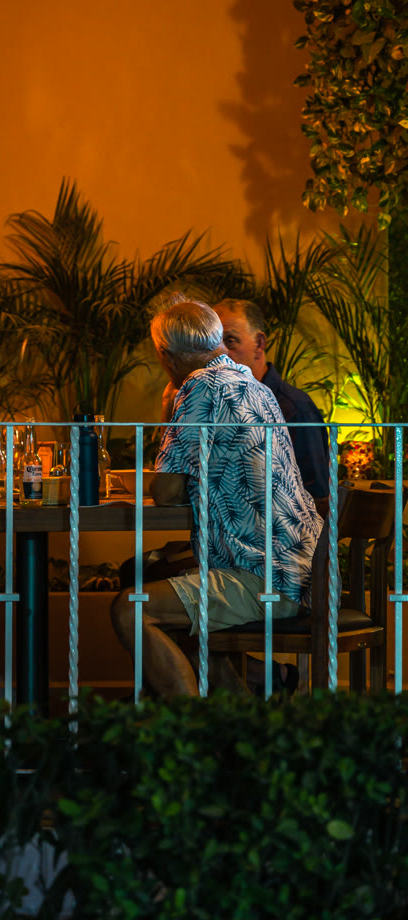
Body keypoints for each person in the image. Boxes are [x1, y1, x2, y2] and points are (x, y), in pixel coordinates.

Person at [111, 298, 322, 698]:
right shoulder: (254, 385)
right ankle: (237, 728)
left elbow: (168, 492)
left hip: (264, 578)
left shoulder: (198, 387)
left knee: (131, 608)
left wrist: (167, 412)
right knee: (169, 598)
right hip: (304, 572)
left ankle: (196, 744)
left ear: (165, 355)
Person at [214, 299, 329, 506]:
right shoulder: (218, 404)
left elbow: (316, 498)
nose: (220, 353)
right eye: (213, 344)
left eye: (230, 341)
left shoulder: (295, 409)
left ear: (259, 344)